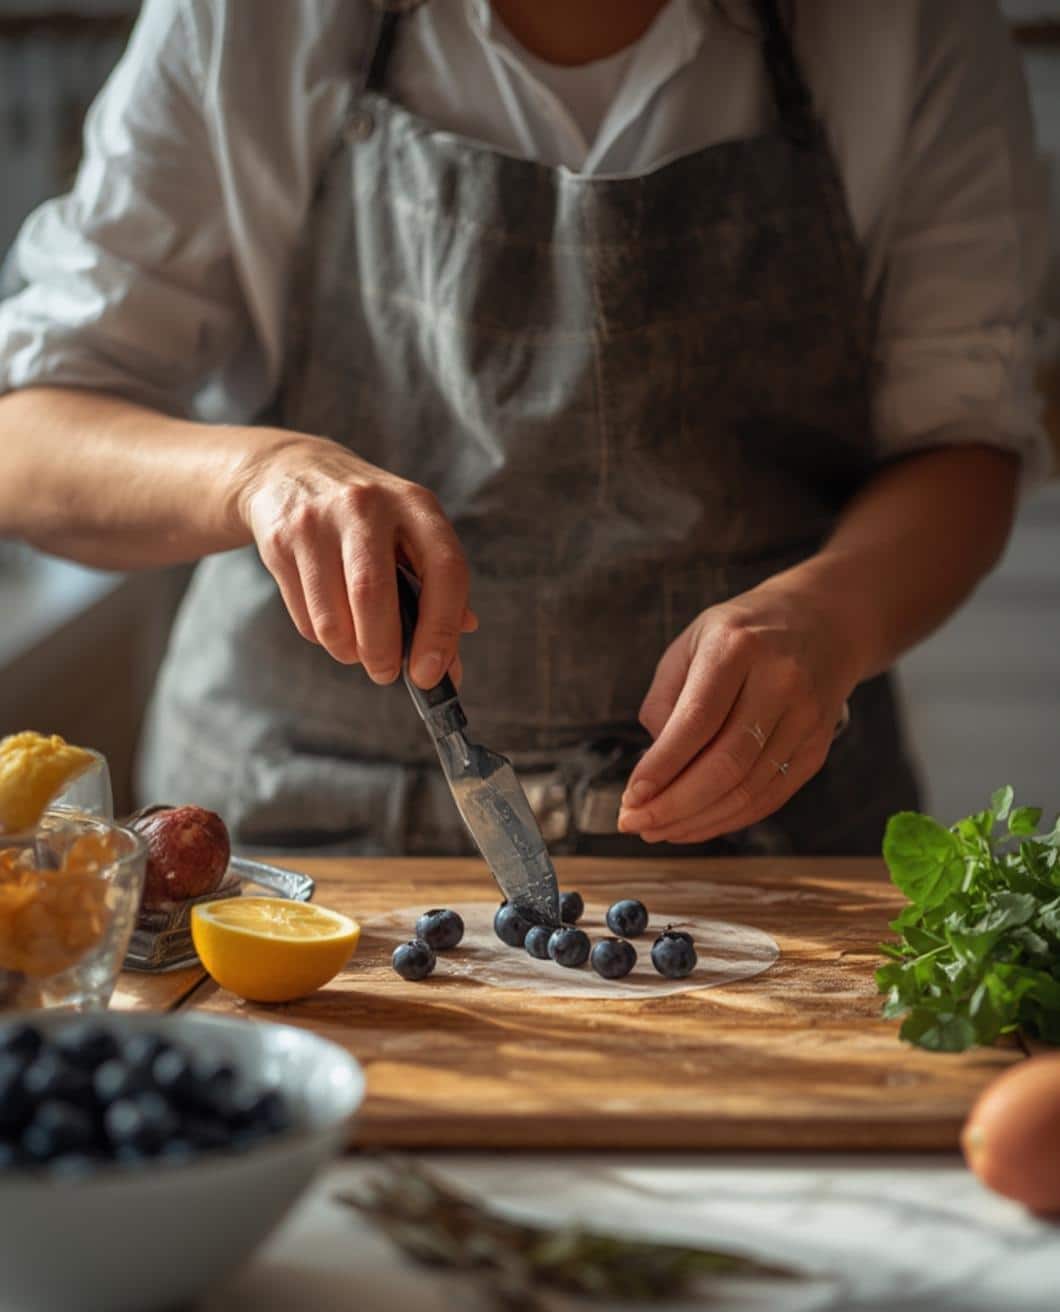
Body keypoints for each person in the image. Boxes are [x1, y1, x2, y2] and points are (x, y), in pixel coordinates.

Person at [0, 0, 1049, 856]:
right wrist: (260, 475)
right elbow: (28, 438)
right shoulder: (251, 20)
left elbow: (962, 439)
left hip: (764, 839)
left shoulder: (910, 28)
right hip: (290, 833)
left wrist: (831, 617)